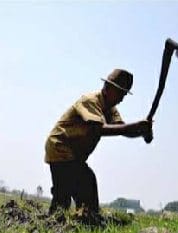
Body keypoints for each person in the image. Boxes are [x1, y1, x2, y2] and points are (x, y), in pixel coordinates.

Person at [44, 69, 152, 224]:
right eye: (120, 93)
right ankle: (56, 224)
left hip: (75, 154)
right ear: (108, 87)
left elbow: (122, 128)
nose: (122, 98)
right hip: (61, 146)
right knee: (67, 192)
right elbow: (98, 129)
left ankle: (85, 220)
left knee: (84, 186)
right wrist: (137, 127)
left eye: (124, 94)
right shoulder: (90, 101)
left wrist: (143, 132)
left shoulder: (110, 108)